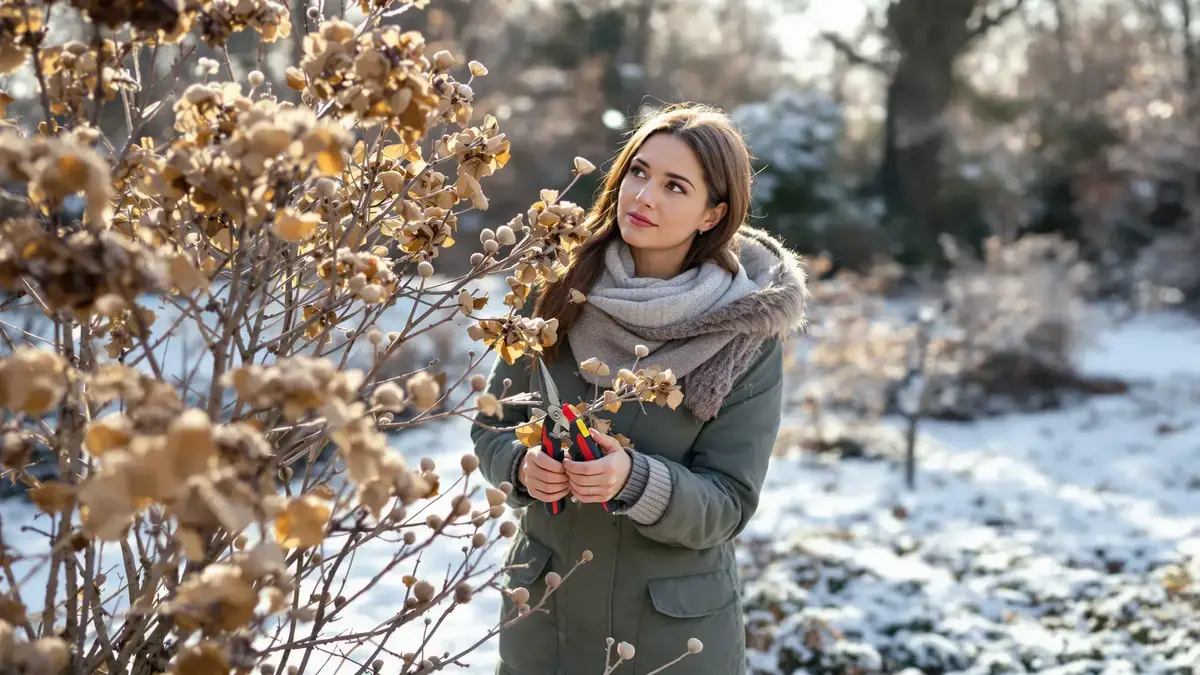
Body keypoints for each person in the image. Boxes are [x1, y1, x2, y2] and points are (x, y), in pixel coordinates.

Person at [471, 102, 808, 675]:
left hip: (670, 640)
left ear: (712, 213)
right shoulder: (555, 289)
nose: (644, 196)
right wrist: (520, 467)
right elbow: (494, 424)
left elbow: (728, 503)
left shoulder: (744, 332)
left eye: (675, 186)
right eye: (638, 171)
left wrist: (636, 481)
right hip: (543, 621)